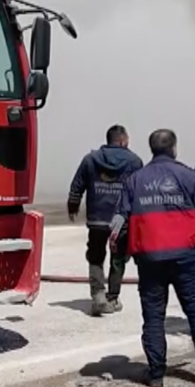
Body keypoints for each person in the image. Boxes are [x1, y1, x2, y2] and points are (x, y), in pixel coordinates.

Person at [108, 128, 195, 387]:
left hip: (149, 259)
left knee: (153, 316)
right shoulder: (190, 177)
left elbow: (116, 225)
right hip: (186, 257)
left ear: (152, 149)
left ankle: (156, 374)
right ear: (174, 148)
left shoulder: (134, 181)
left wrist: (120, 255)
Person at [67, 124, 144, 316]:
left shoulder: (90, 159)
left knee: (95, 256)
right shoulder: (134, 161)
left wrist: (73, 206)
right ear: (122, 140)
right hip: (121, 221)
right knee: (118, 258)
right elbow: (139, 192)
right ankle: (112, 297)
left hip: (96, 220)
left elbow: (77, 185)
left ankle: (98, 296)